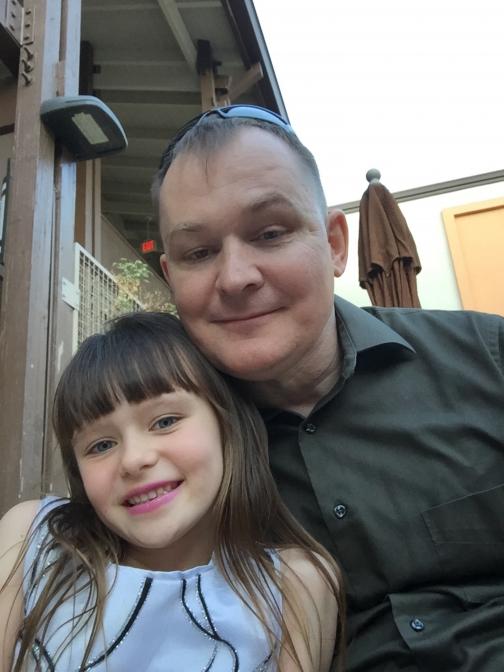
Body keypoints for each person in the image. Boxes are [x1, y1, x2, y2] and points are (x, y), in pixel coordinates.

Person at [152, 104, 504, 671]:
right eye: (199, 252)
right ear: (172, 278)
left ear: (336, 244)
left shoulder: (488, 360)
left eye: (270, 233)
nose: (236, 277)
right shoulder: (164, 456)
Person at [0, 312, 343, 672]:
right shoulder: (33, 540)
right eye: (101, 445)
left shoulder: (294, 582)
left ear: (227, 424)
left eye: (165, 421)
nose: (133, 460)